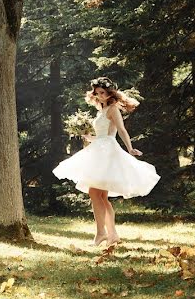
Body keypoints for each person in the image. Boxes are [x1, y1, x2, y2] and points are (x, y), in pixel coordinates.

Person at [52, 77, 160, 247]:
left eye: (102, 93)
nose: (100, 96)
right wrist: (90, 137)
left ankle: (101, 234)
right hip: (99, 148)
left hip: (107, 152)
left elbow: (121, 130)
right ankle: (112, 235)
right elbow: (103, 134)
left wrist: (130, 149)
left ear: (110, 92)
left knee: (95, 194)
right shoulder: (101, 109)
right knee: (100, 196)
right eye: (97, 93)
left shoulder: (113, 110)